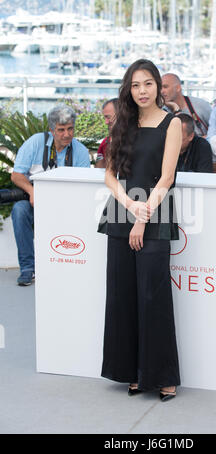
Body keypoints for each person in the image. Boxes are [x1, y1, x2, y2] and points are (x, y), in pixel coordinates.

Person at [98, 59, 182, 401]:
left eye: (148, 84)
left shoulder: (171, 124)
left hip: (154, 216)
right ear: (128, 90)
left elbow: (166, 178)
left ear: (158, 86)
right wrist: (129, 206)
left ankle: (163, 377)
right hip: (122, 214)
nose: (142, 91)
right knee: (123, 298)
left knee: (153, 297)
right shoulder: (125, 123)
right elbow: (109, 175)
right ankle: (132, 372)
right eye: (135, 85)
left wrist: (143, 216)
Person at [11, 104, 91, 286]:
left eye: (70, 129)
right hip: (35, 203)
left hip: (67, 205)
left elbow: (84, 185)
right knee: (19, 211)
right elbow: (16, 175)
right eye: (61, 130)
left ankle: (69, 265)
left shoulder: (80, 151)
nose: (67, 134)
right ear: (51, 130)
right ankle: (27, 269)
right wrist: (32, 192)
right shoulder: (35, 143)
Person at [95, 98, 118, 169]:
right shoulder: (105, 143)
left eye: (108, 117)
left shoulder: (138, 141)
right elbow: (98, 170)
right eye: (105, 118)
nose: (106, 122)